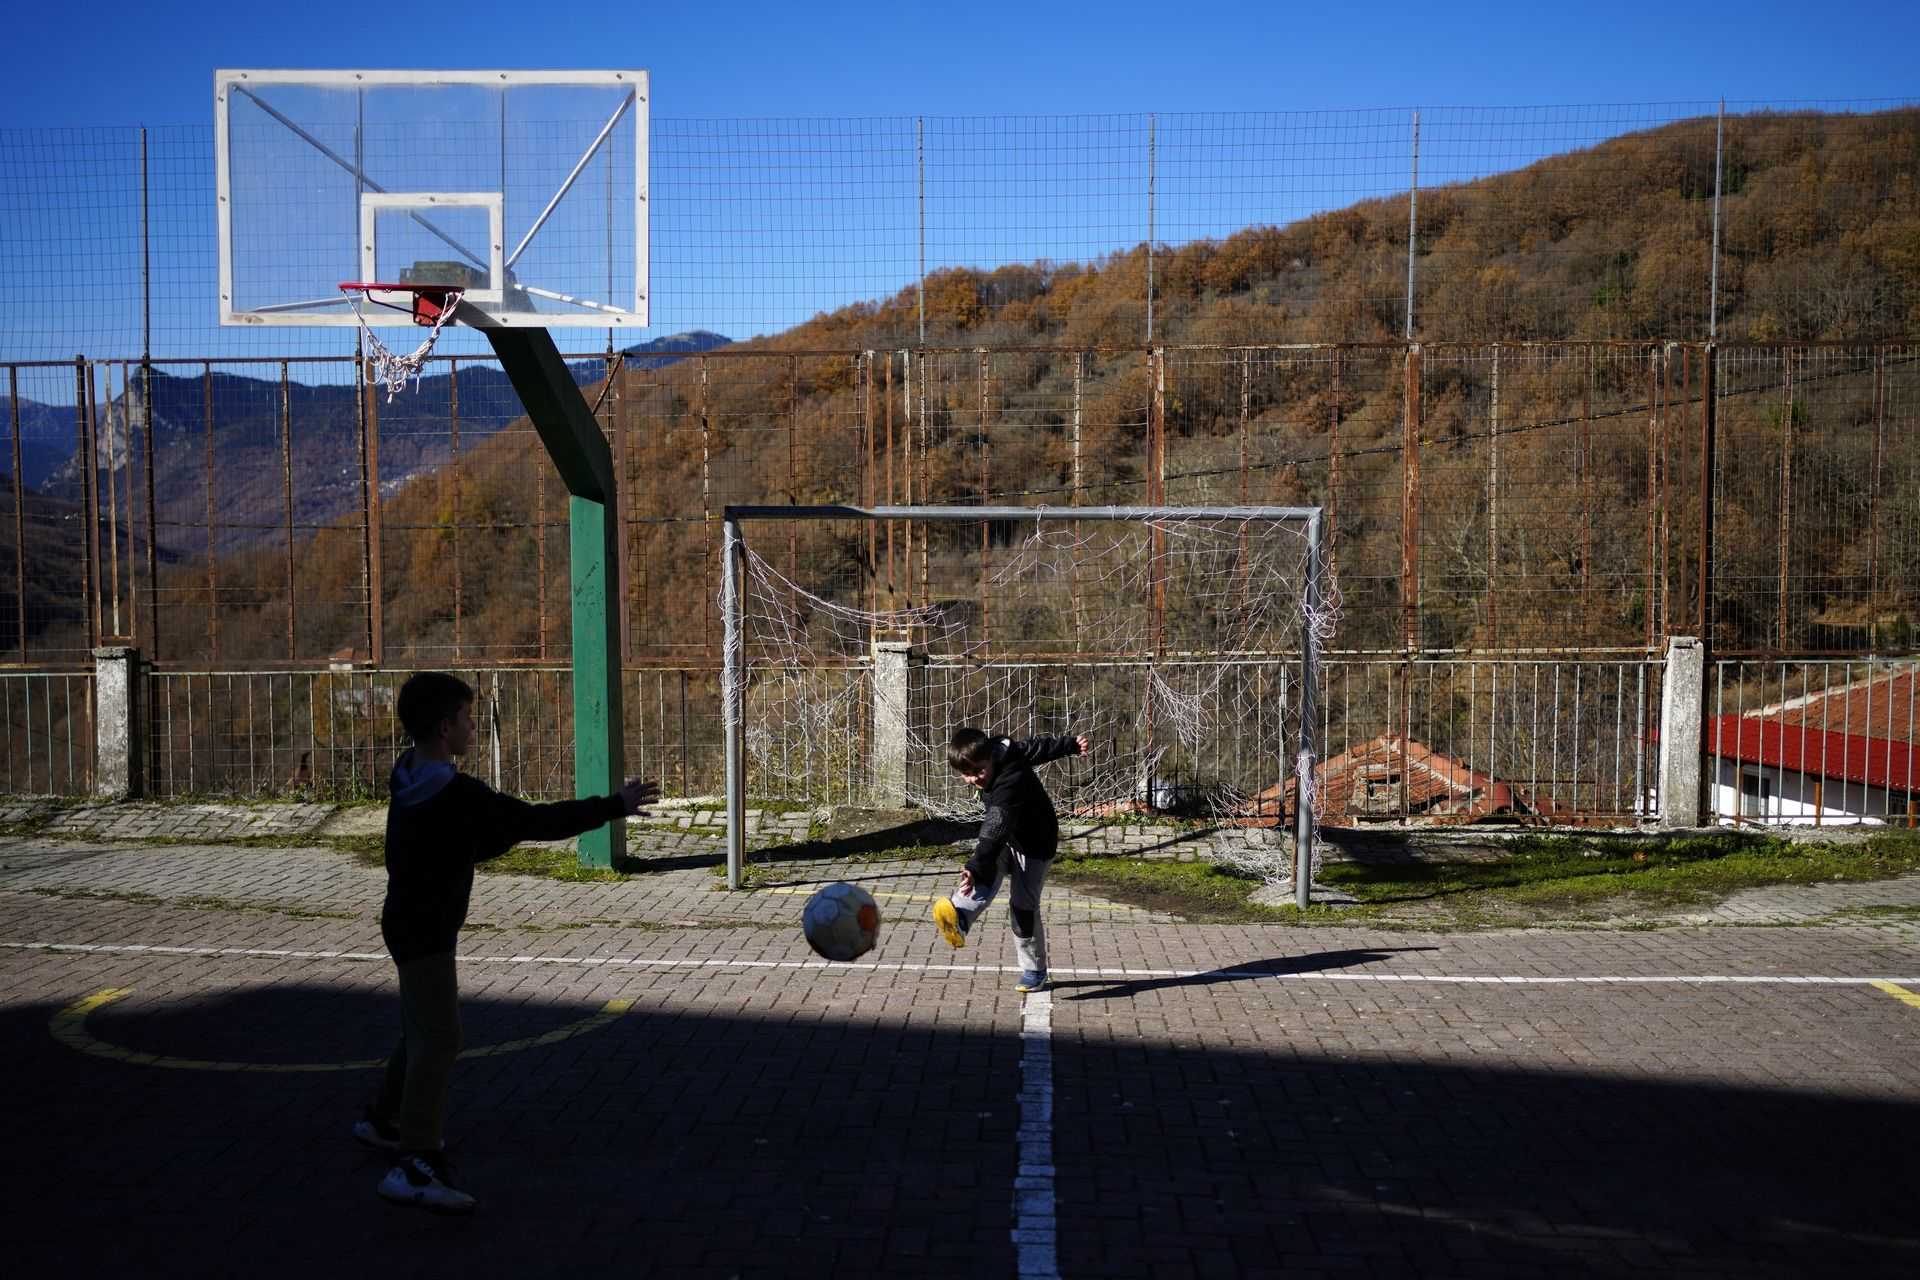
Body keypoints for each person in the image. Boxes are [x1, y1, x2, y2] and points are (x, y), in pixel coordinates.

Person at [353, 671, 658, 1215]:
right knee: (441, 1037)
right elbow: (535, 822)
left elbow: (468, 838)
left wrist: (484, 837)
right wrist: (614, 804)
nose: (474, 726)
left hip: (404, 919)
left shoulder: (408, 775)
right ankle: (414, 1163)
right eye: (468, 718)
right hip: (423, 928)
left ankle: (383, 1117)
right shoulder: (454, 790)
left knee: (422, 1026)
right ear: (446, 726)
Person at [932, 726, 1090, 993]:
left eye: (978, 771)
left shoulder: (1010, 782)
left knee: (1022, 909)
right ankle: (959, 916)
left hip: (1034, 845)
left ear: (991, 757)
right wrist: (1069, 745)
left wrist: (974, 863)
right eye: (966, 775)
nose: (973, 779)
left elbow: (995, 827)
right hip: (1008, 837)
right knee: (984, 872)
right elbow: (1035, 749)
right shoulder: (1005, 750)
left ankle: (1034, 970)